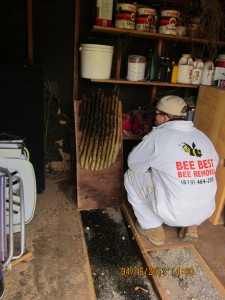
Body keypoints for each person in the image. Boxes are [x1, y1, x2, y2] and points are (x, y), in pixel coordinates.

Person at [124, 95, 219, 246]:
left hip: (174, 213)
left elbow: (134, 164)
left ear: (165, 117)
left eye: (156, 114)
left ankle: (152, 227)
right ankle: (191, 226)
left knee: (131, 175)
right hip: (205, 211)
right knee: (191, 178)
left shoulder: (158, 136)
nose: (154, 118)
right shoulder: (202, 137)